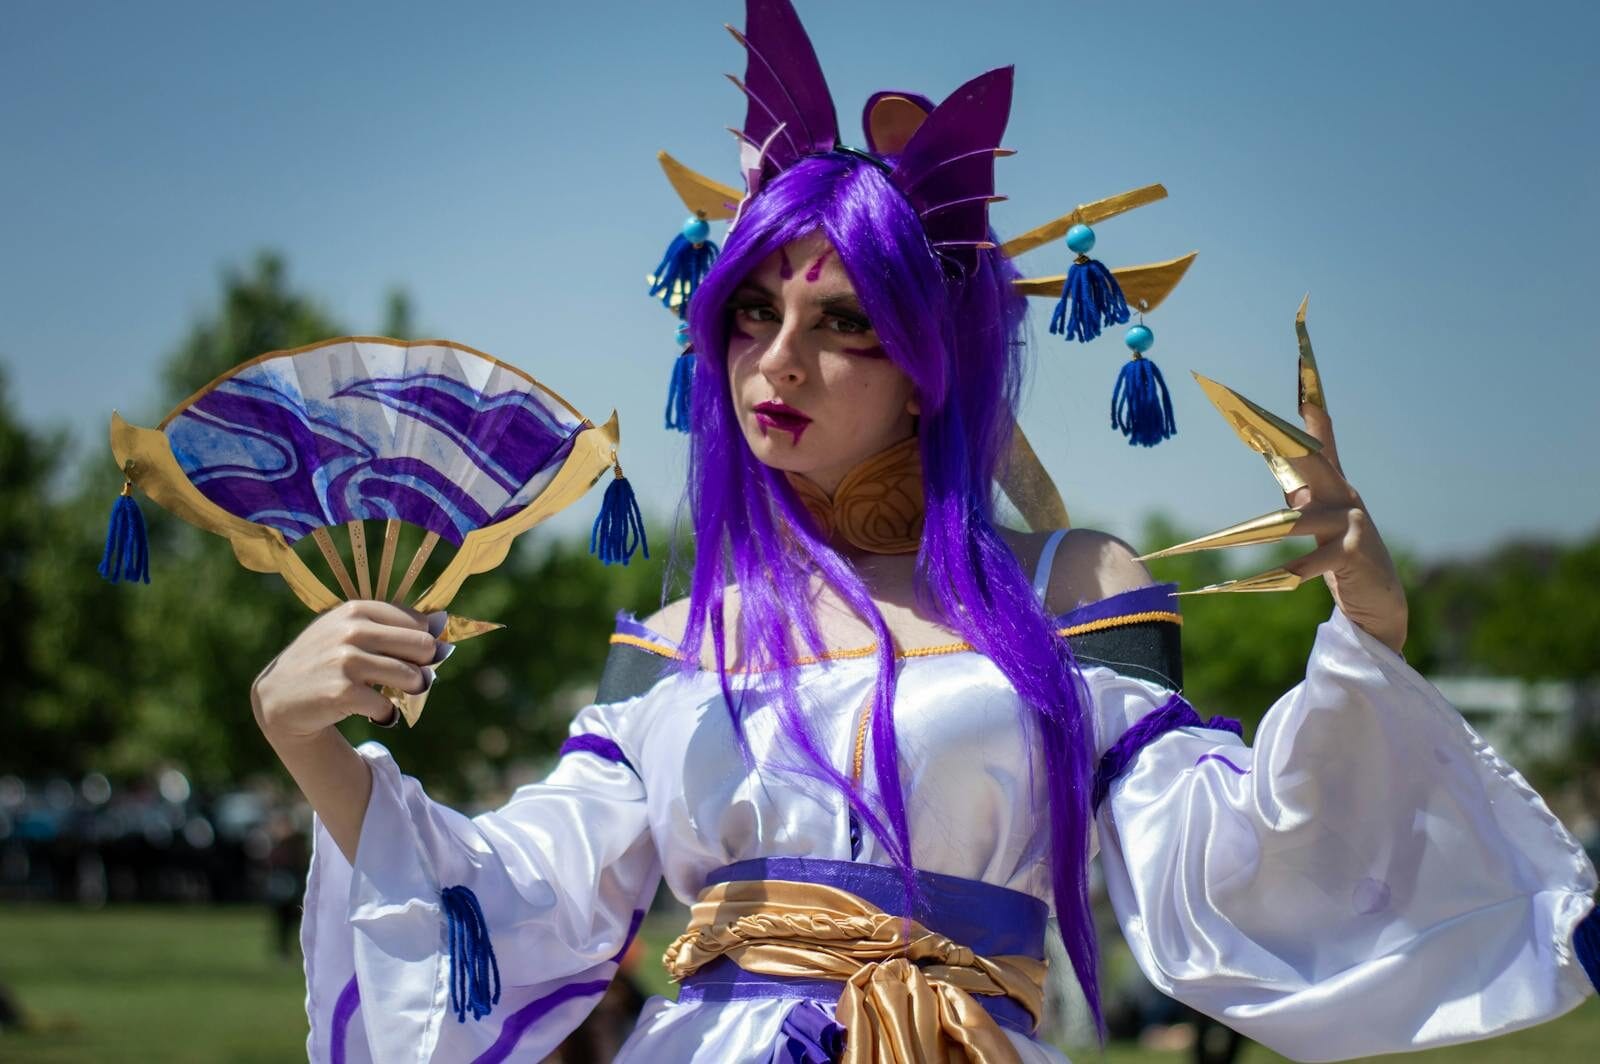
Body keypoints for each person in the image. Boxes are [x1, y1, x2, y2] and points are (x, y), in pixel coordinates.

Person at [251, 3, 1598, 1061]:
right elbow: (523, 897)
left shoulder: (1076, 589)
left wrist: (1367, 634)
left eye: (844, 323)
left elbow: (1227, 869)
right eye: (754, 313)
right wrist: (310, 740)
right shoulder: (673, 639)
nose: (781, 360)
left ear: (928, 360)